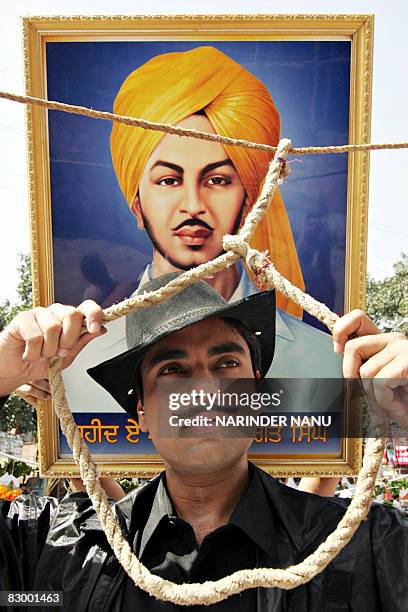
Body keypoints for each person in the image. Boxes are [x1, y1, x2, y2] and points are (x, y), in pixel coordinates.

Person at [0, 276, 407, 611]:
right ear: (141, 410)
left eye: (227, 364)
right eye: (174, 369)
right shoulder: (61, 544)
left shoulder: (365, 546)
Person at [19, 46, 342, 423]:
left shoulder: (324, 361)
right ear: (137, 204)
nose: (193, 205)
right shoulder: (73, 363)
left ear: (250, 200)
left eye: (218, 180)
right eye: (169, 180)